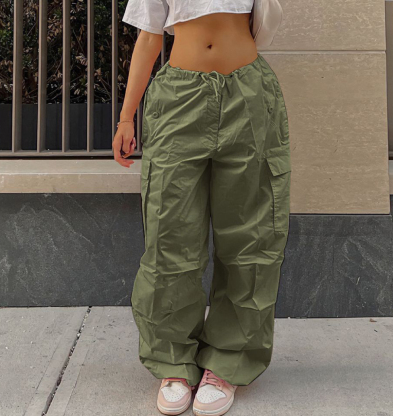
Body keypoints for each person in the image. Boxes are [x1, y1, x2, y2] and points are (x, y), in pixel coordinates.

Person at [113, 0, 291, 414]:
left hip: (248, 93)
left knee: (251, 236)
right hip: (179, 96)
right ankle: (173, 362)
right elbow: (148, 37)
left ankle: (228, 362)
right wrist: (126, 118)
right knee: (169, 234)